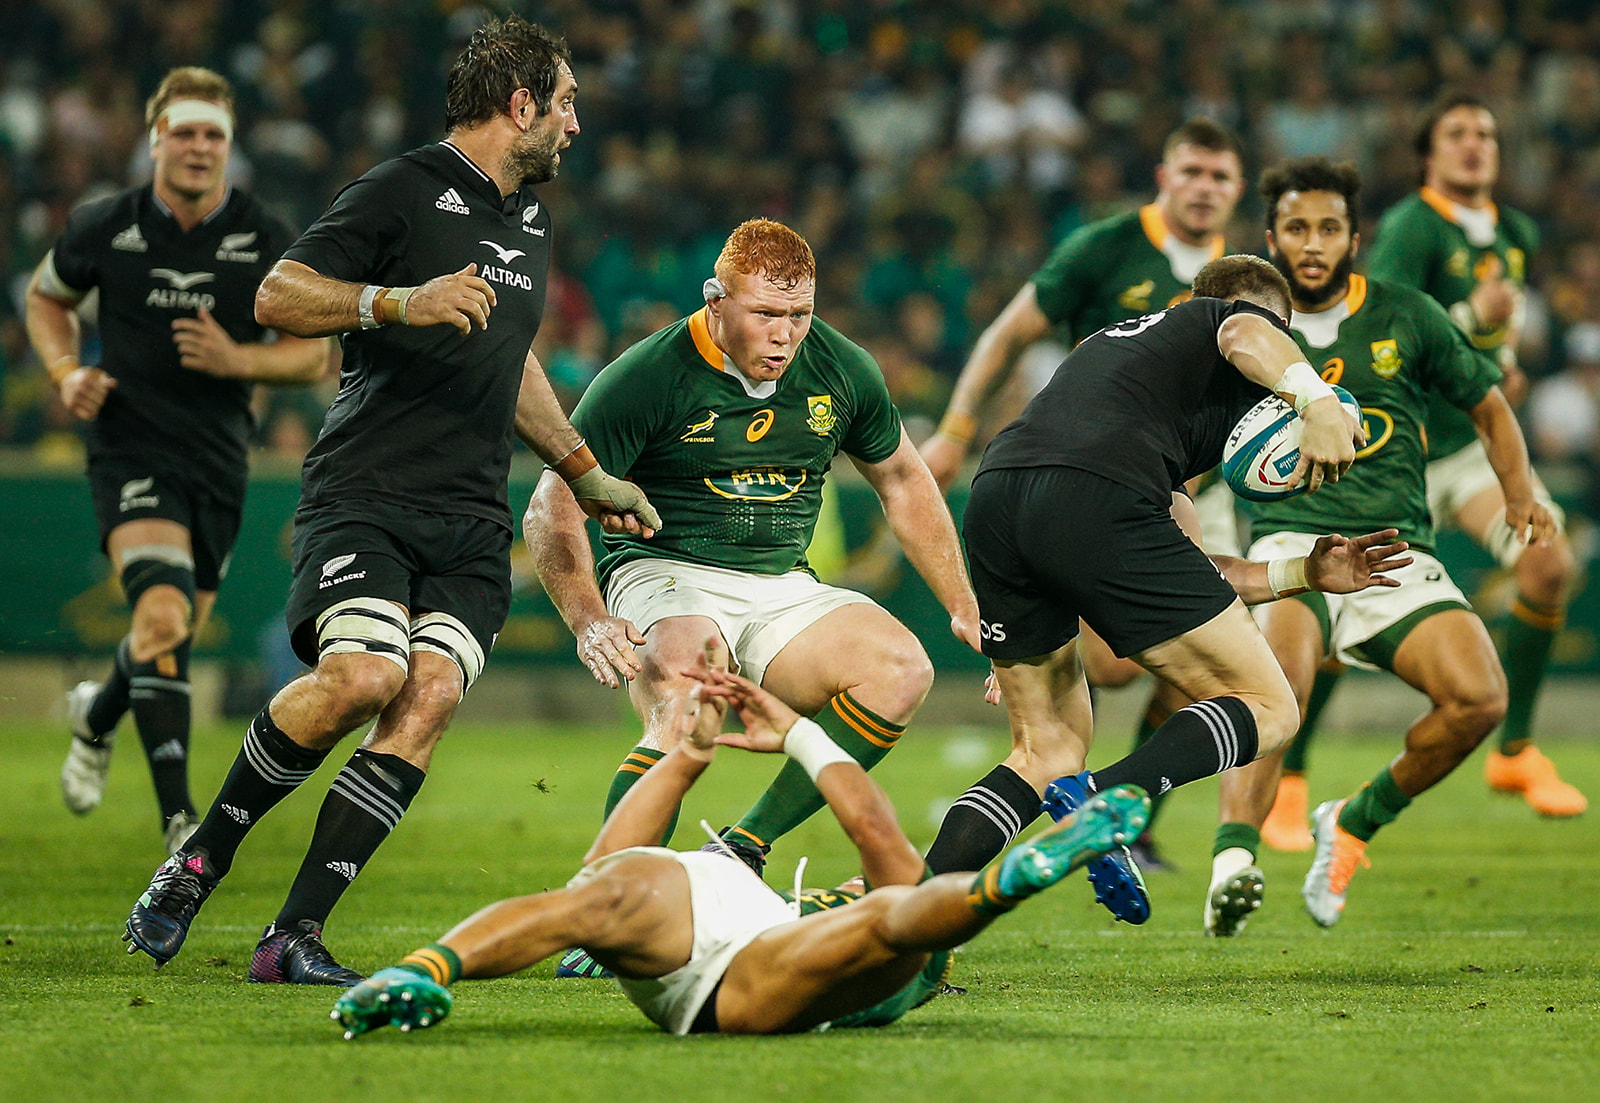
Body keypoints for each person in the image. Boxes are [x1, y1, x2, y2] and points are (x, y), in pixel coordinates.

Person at [122, 16, 657, 986]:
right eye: (567, 103)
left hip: (470, 517)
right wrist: (395, 300)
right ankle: (199, 860)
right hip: (367, 492)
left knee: (430, 693)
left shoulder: (530, 221)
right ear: (522, 104)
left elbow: (511, 359)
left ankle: (292, 935)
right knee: (364, 677)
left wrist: (586, 472)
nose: (576, 124)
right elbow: (277, 294)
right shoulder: (403, 188)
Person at [523, 217, 980, 974]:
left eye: (799, 314)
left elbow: (903, 477)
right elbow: (552, 504)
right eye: (766, 313)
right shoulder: (649, 374)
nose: (785, 333)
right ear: (716, 300)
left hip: (780, 581)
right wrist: (588, 619)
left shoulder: (841, 367)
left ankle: (741, 848)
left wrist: (962, 602)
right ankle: (602, 910)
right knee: (688, 698)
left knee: (902, 668)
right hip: (665, 568)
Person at [926, 254, 1410, 926]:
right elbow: (1246, 332)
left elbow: (1189, 567)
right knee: (1270, 707)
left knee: (1046, 748)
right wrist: (1317, 399)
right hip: (1098, 493)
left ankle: (906, 917)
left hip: (999, 495)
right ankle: (1103, 800)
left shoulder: (1128, 367)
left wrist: (1306, 573)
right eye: (1286, 334)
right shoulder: (1226, 324)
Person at [329, 666, 1151, 1039]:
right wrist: (778, 738)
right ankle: (1011, 876)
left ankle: (428, 968)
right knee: (599, 888)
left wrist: (764, 739)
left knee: (594, 893)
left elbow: (874, 841)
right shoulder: (874, 911)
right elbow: (870, 825)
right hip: (732, 919)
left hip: (730, 977)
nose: (853, 881)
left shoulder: (890, 964)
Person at [1207, 158, 1556, 935]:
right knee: (1277, 690)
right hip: (1293, 541)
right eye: (1297, 227)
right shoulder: (1243, 331)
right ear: (1270, 237)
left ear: (1355, 238)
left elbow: (1489, 405)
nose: (1313, 243)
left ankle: (1354, 821)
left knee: (1480, 700)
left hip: (1395, 547)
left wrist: (1520, 493)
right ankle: (1232, 861)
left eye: (1329, 228)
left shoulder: (1407, 313)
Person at [919, 119, 1248, 870]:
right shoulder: (1106, 249)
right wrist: (956, 428)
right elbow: (1008, 333)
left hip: (1195, 484)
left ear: (1237, 192)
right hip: (1099, 481)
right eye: (1192, 171)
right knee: (1126, 667)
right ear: (1164, 177)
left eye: (1220, 176)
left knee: (1201, 667)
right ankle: (1071, 740)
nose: (1204, 188)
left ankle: (1127, 815)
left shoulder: (1238, 278)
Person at [23, 67, 331, 856]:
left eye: (213, 135)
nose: (199, 147)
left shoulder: (264, 236)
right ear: (154, 140)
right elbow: (46, 297)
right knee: (162, 618)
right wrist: (65, 372)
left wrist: (237, 359)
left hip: (219, 456)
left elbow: (311, 354)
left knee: (170, 629)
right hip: (128, 445)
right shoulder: (105, 226)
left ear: (230, 147)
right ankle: (180, 824)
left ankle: (97, 714)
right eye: (184, 132)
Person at [1264, 93, 1585, 833]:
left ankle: (1516, 750)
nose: (1475, 145)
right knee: (1343, 605)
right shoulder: (1413, 226)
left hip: (1464, 448)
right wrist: (1473, 323)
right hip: (1392, 451)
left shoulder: (1516, 232)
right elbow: (1379, 326)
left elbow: (1487, 341)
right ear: (1428, 155)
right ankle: (1292, 780)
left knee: (1548, 565)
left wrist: (1498, 364)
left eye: (1486, 134)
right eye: (1457, 134)